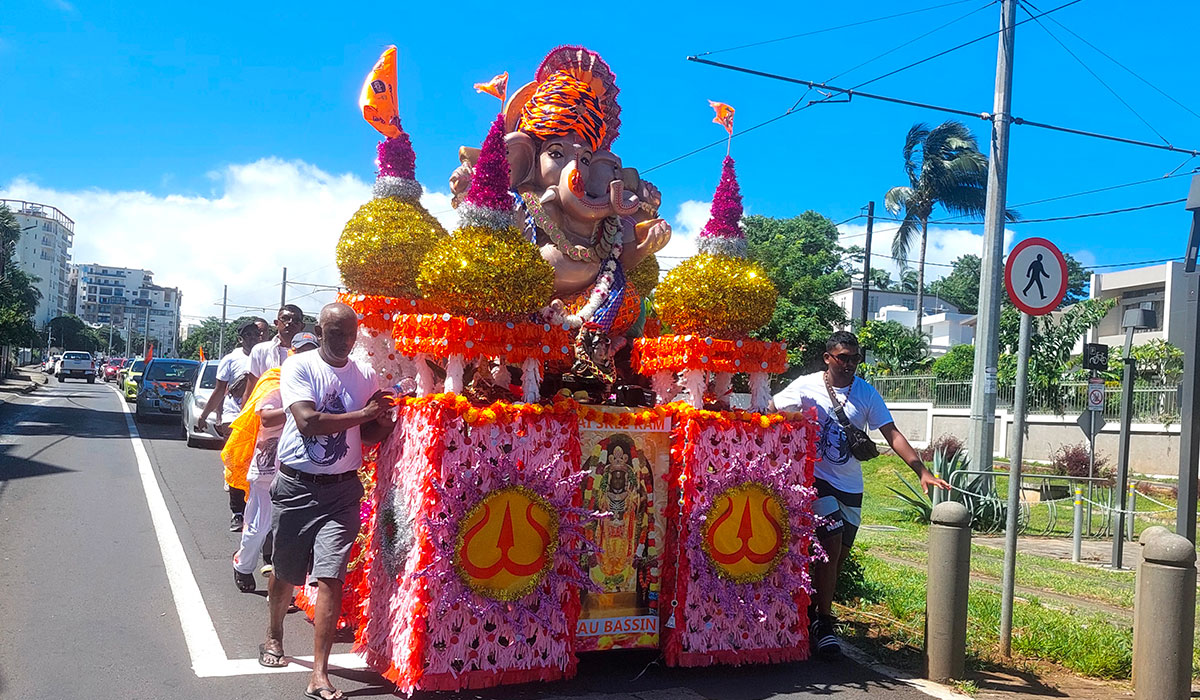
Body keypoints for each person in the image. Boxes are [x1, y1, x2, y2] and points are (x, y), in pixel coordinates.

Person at [772, 331, 949, 660]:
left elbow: (891, 433)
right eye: (843, 357)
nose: (850, 363)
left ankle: (809, 613)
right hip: (816, 480)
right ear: (828, 358)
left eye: (855, 358)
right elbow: (773, 408)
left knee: (836, 559)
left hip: (851, 486)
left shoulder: (866, 392)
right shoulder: (806, 386)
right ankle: (825, 624)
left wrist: (921, 471)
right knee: (831, 539)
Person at [258, 303, 394, 700]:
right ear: (320, 332)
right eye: (336, 333)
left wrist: (383, 423)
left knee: (332, 577)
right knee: (286, 571)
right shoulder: (299, 366)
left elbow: (366, 434)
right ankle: (274, 634)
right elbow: (307, 422)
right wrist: (365, 413)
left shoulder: (365, 374)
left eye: (350, 334)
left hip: (341, 492)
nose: (345, 341)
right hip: (297, 487)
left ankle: (319, 674)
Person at [231, 332, 320, 593]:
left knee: (291, 530)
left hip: (302, 465)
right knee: (259, 526)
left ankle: (284, 591)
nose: (306, 356)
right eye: (301, 351)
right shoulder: (276, 379)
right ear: (292, 353)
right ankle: (243, 565)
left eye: (311, 351)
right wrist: (297, 409)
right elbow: (266, 418)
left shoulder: (319, 381)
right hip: (269, 465)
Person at [197, 318, 267, 532]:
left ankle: (258, 510)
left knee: (260, 465)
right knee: (238, 463)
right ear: (240, 339)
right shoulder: (231, 359)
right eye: (248, 335)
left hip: (260, 418)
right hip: (234, 417)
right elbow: (219, 390)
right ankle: (238, 512)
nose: (253, 338)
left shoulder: (267, 355)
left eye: (256, 334)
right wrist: (205, 415)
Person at [244, 304, 305, 404]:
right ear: (276, 323)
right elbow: (250, 391)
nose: (290, 323)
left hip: (297, 409)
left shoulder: (308, 353)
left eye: (295, 320)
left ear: (302, 326)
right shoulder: (261, 350)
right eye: (285, 319)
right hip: (265, 409)